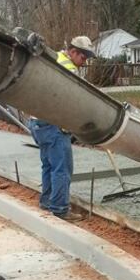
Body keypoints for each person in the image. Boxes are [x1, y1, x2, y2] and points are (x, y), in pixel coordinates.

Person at [27, 36, 95, 222]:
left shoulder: (54, 58)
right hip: (53, 124)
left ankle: (47, 201)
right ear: (73, 52)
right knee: (62, 168)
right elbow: (73, 101)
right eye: (83, 57)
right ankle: (59, 209)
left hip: (38, 122)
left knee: (48, 165)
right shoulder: (69, 69)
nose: (84, 62)